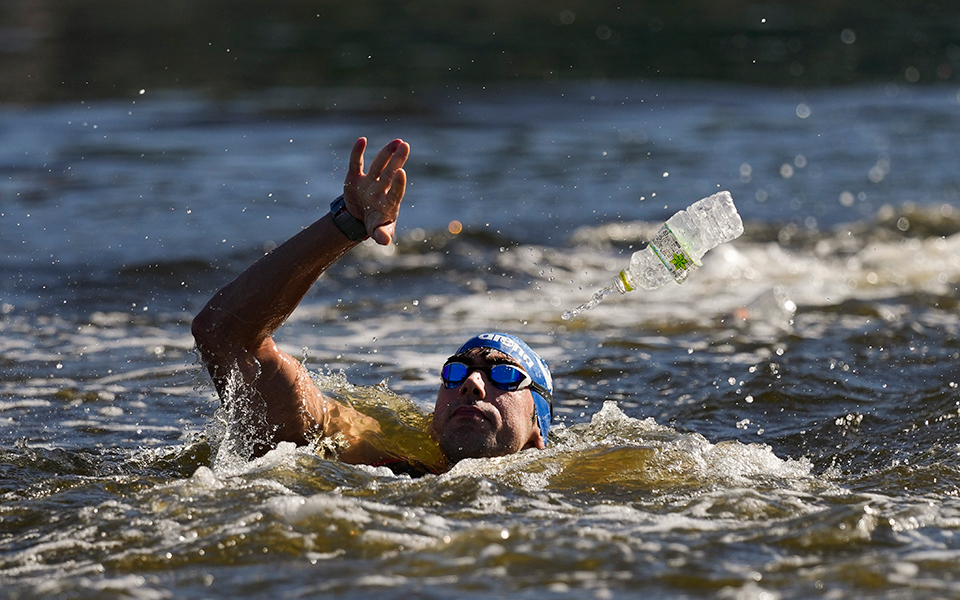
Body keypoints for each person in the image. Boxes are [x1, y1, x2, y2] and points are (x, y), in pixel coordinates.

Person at [192, 137, 553, 474]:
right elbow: (225, 334)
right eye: (455, 372)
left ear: (538, 429)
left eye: (504, 375)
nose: (472, 383)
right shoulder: (371, 450)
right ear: (433, 422)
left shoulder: (580, 490)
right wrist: (346, 225)